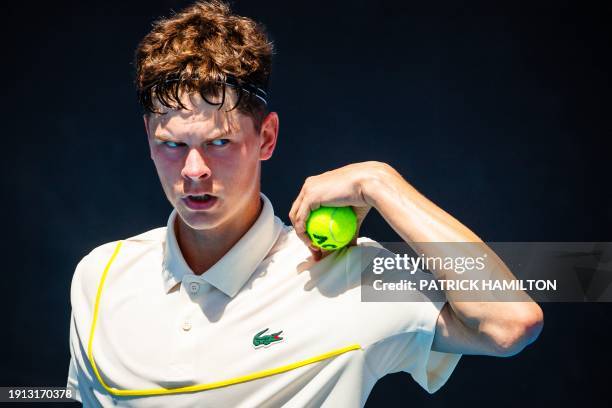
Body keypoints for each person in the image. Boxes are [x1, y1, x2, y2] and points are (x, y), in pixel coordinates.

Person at [66, 1, 543, 406]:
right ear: (149, 139)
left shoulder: (351, 277)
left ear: (266, 137)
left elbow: (510, 321)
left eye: (219, 143)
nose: (194, 170)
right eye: (173, 145)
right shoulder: (100, 275)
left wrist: (381, 182)